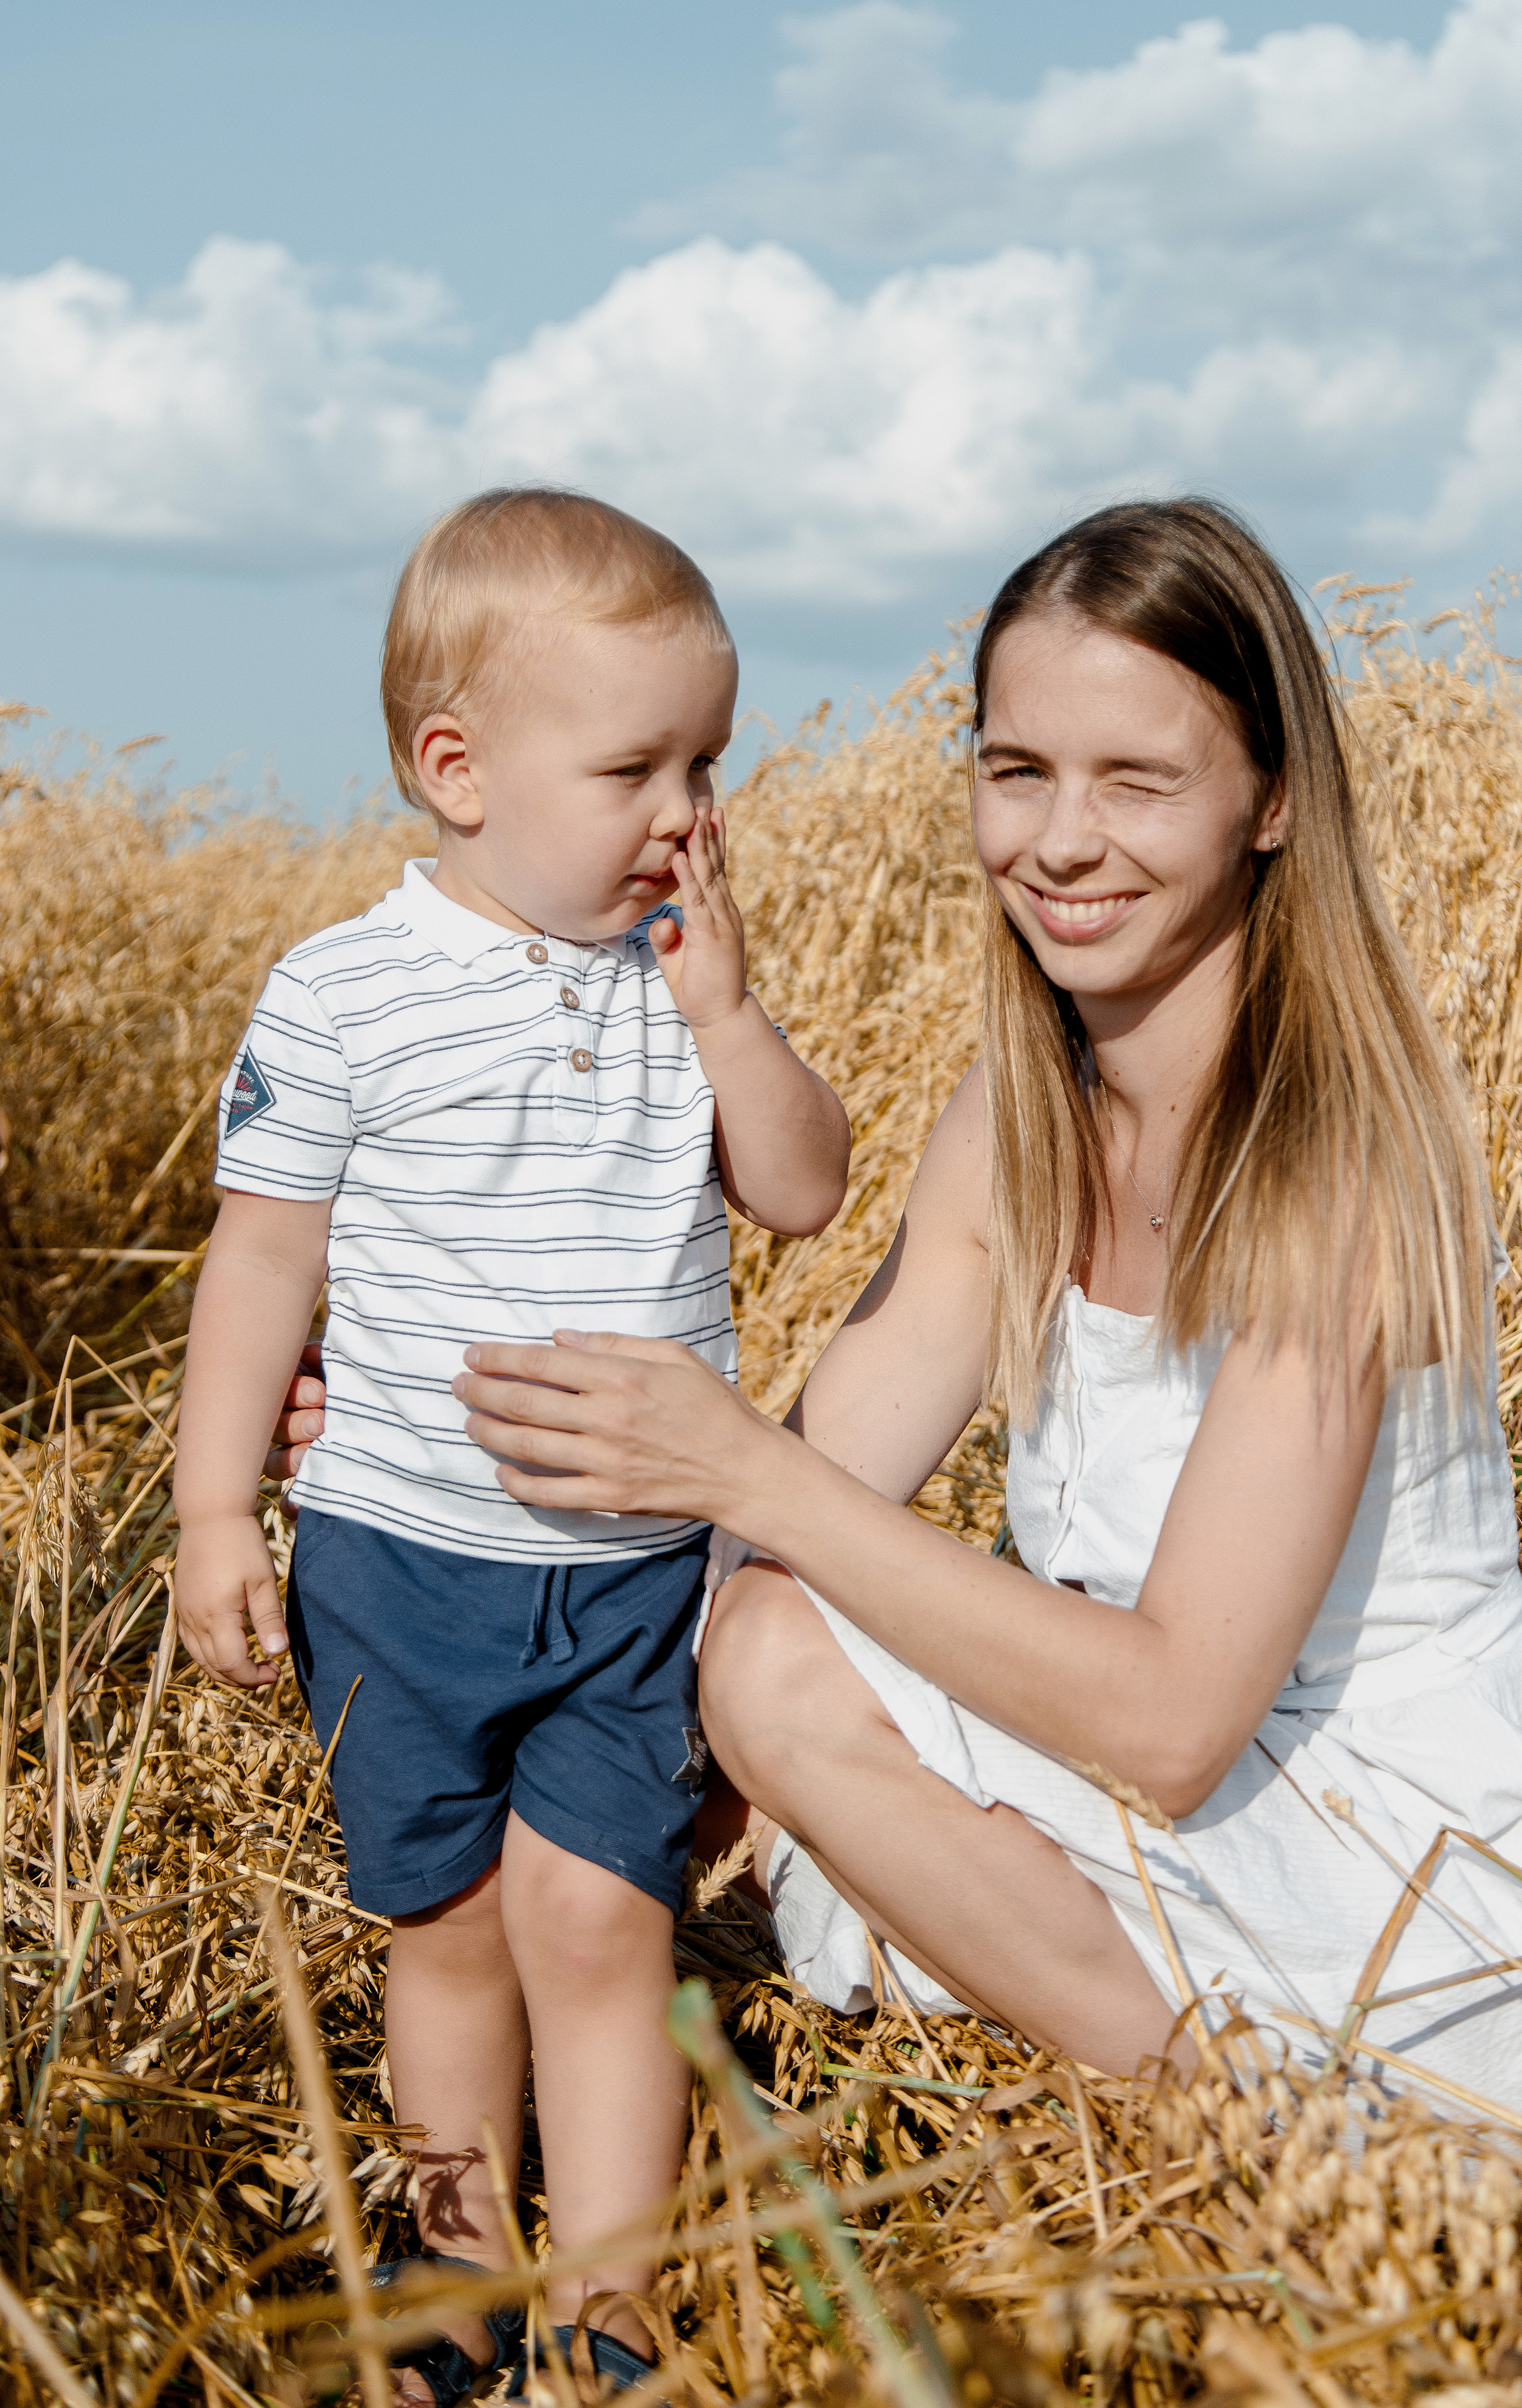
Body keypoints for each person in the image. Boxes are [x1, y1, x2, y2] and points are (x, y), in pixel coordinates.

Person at [349, 495, 1522, 2139]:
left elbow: (1176, 1725)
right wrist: (431, 1433)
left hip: (1392, 1853)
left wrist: (744, 1474)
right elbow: (813, 1489)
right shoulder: (1016, 1113)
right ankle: (1193, 2082)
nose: (1059, 840)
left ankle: (1255, 2130)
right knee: (757, 1644)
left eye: (1137, 780)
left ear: (1271, 803)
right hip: (1136, 1785)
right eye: (1016, 769)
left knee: (776, 1629)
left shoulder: (1339, 1161)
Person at [173, 488, 852, 2405]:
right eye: (635, 762)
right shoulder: (343, 991)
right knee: (449, 1925)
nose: (686, 811)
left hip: (630, 1567)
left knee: (601, 1915)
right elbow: (265, 1258)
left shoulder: (677, 983)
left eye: (708, 760)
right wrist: (218, 1497)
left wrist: (729, 1017)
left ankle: (617, 2294)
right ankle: (455, 2268)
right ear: (454, 770)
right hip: (399, 1551)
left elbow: (801, 1194)